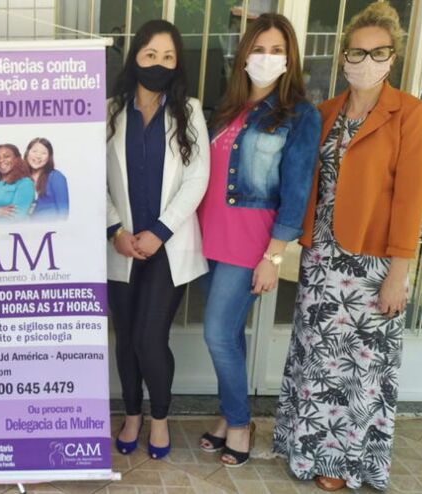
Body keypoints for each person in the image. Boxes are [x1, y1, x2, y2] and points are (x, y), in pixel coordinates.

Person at [272, 3, 422, 491]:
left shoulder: (409, 114)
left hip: (373, 262)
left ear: (393, 57)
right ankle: (305, 449)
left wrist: (399, 273)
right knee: (317, 361)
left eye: (378, 52)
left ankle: (341, 462)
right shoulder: (325, 113)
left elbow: (411, 199)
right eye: (357, 52)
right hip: (322, 259)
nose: (366, 61)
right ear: (343, 56)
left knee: (359, 368)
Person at [197, 13, 321, 467]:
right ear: (244, 54)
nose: (266, 58)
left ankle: (238, 422)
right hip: (208, 236)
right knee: (229, 333)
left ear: (290, 59)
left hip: (249, 243)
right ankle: (230, 414)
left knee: (216, 334)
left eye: (276, 50)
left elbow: (297, 189)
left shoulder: (300, 115)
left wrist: (274, 255)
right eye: (259, 49)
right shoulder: (226, 109)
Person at [106, 19, 210, 460]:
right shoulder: (110, 111)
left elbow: (198, 178)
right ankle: (133, 415)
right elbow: (94, 178)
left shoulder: (190, 110)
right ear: (135, 57)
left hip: (169, 246)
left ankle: (160, 418)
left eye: (168, 57)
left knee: (150, 339)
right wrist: (115, 229)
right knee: (127, 337)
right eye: (150, 54)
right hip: (122, 246)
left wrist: (161, 231)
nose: (158, 64)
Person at [26, 137, 70, 220]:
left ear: (49, 157)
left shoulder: (56, 177)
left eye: (43, 153)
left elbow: (63, 213)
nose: (38, 156)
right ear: (27, 153)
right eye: (34, 151)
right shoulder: (22, 178)